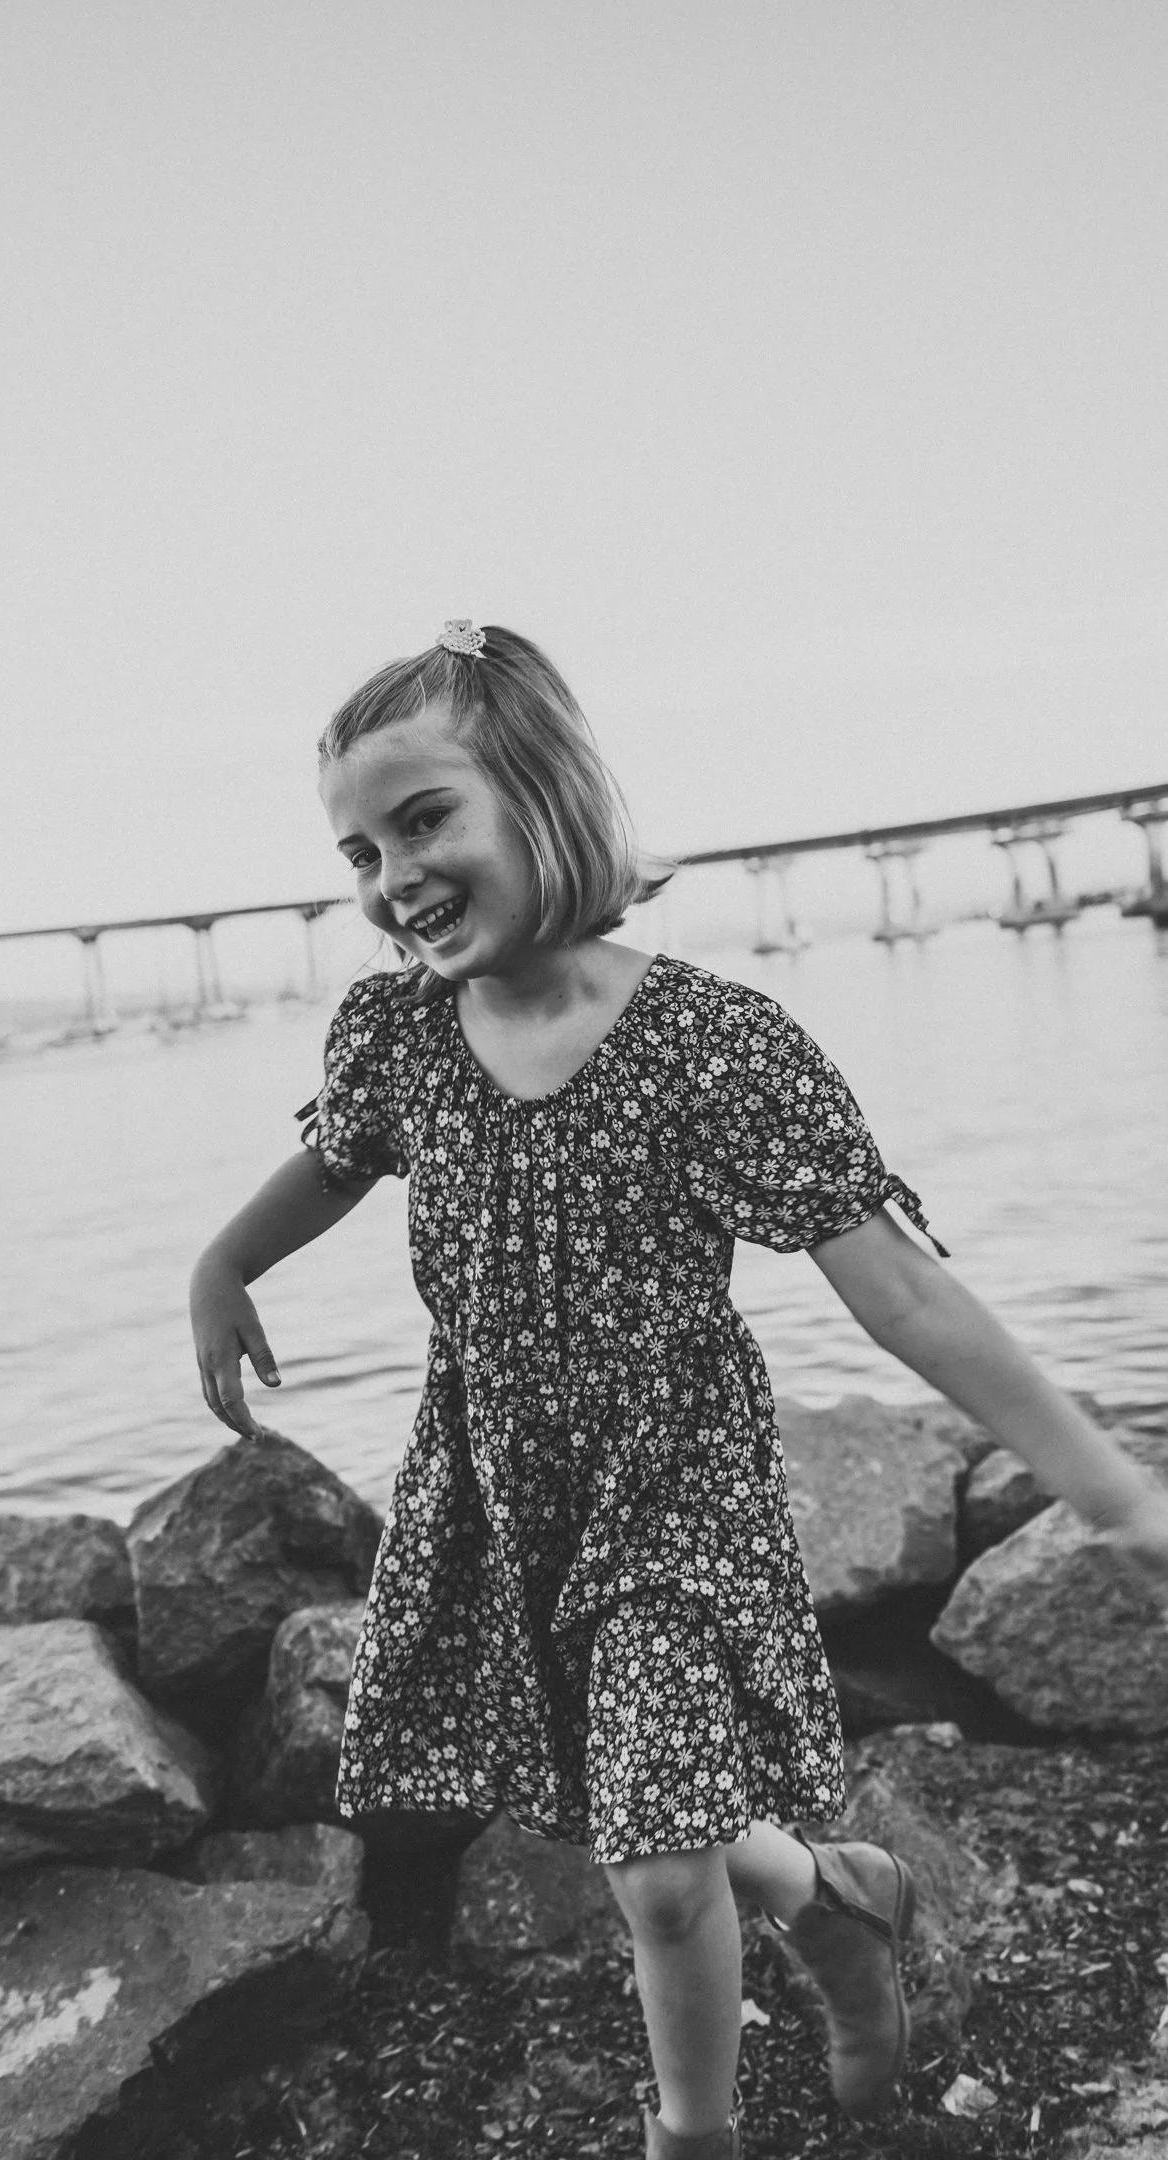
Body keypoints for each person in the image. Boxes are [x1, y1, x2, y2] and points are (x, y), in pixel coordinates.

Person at [190, 622, 1168, 2159]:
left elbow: (902, 1291)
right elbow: (328, 1166)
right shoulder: (396, 1035)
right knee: (649, 1810)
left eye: (426, 819)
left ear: (546, 792)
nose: (391, 877)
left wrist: (1106, 1485)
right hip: (500, 1483)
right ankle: (838, 1898)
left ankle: (691, 2136)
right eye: (359, 851)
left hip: (676, 1485)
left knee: (652, 1865)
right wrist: (221, 1265)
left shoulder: (712, 1046)